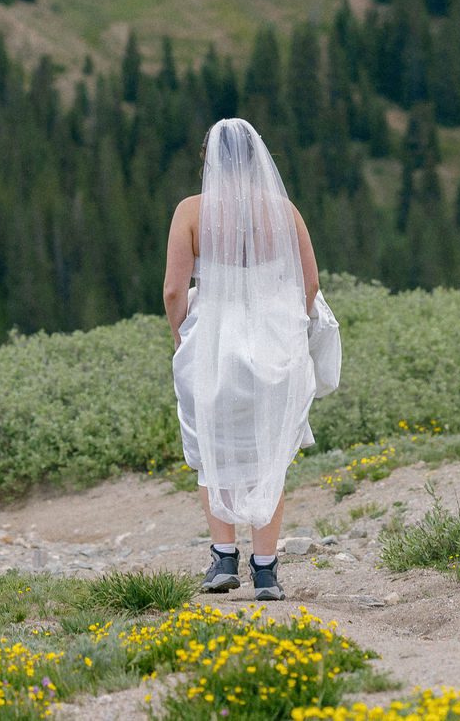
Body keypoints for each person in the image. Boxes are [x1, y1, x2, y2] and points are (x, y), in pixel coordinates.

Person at [163, 118, 323, 600]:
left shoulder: (192, 211)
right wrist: (290, 328)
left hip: (214, 339)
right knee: (266, 453)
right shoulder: (284, 211)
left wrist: (180, 336)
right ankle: (267, 570)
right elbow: (310, 284)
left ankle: (223, 558)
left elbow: (174, 289)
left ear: (207, 159)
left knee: (216, 448)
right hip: (273, 341)